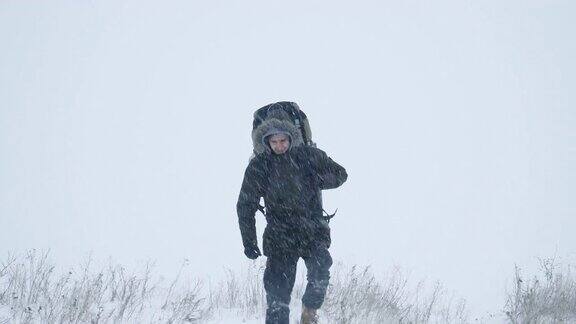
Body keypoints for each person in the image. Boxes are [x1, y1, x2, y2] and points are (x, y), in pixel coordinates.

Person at [237, 115, 348, 324]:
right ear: (266, 142)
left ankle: (309, 311)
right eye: (274, 141)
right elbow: (245, 205)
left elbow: (340, 174)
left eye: (283, 140)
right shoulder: (259, 166)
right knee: (277, 296)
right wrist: (249, 241)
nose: (279, 146)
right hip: (280, 236)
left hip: (312, 230)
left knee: (320, 271)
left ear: (291, 138)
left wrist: (317, 179)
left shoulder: (308, 155)